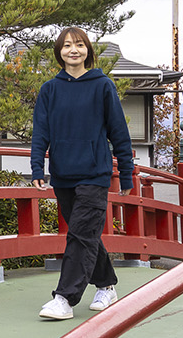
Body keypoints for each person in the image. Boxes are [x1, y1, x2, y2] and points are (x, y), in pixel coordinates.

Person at [30, 27, 133, 320]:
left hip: (94, 173)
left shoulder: (102, 86)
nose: (72, 50)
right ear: (59, 52)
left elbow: (119, 132)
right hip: (63, 173)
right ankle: (107, 285)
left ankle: (64, 298)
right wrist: (37, 166)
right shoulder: (50, 88)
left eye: (78, 45)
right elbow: (41, 132)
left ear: (88, 50)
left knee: (79, 234)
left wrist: (126, 173)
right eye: (66, 46)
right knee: (84, 234)